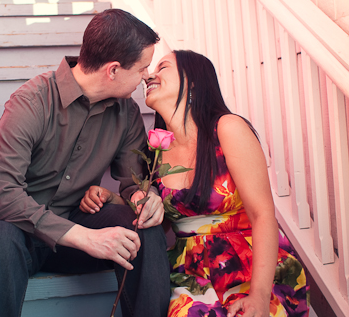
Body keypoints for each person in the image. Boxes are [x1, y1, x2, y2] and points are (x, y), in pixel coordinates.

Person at [0, 9, 171, 317]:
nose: (146, 76)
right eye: (142, 68)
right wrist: (86, 237)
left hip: (75, 227)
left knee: (144, 228)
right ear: (112, 70)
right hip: (15, 232)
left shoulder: (126, 113)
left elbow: (132, 182)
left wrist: (144, 198)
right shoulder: (32, 101)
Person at [82, 50, 310, 316]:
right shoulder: (157, 151)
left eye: (163, 67)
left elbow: (263, 216)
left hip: (250, 263)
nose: (150, 75)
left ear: (192, 81)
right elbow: (162, 219)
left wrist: (259, 296)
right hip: (190, 271)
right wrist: (113, 200)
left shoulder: (227, 129)